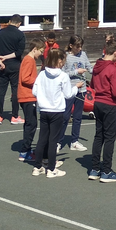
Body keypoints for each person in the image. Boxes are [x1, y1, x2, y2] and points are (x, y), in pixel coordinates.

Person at [31, 48, 82, 178]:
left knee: (42, 139)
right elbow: (68, 94)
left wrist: (44, 97)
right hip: (57, 111)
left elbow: (34, 91)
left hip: (44, 110)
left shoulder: (42, 74)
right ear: (59, 61)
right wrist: (76, 88)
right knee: (53, 141)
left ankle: (37, 167)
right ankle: (51, 169)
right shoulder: (63, 76)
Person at [88, 40, 116, 183]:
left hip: (97, 103)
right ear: (115, 53)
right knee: (109, 138)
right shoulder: (112, 69)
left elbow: (92, 84)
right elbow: (115, 92)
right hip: (109, 104)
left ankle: (95, 168)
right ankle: (106, 171)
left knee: (99, 136)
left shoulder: (97, 66)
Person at [0, 14, 26, 125]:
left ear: (10, 21)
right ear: (19, 23)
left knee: (1, 91)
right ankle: (14, 116)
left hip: (2, 66)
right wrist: (6, 57)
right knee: (15, 91)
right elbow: (19, 52)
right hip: (15, 65)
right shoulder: (20, 34)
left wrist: (0, 61)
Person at [59, 35, 92, 152]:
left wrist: (98, 73)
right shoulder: (66, 57)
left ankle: (74, 141)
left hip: (81, 90)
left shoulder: (83, 54)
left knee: (78, 117)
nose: (80, 49)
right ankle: (58, 141)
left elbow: (89, 67)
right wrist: (76, 71)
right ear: (71, 46)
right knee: (65, 116)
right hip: (69, 90)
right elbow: (62, 73)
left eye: (81, 46)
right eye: (77, 47)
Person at [17, 38, 45, 162]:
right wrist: (38, 81)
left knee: (30, 123)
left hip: (28, 96)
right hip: (27, 96)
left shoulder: (30, 60)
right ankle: (24, 151)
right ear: (34, 49)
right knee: (31, 124)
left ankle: (26, 149)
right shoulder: (29, 60)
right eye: (41, 51)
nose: (41, 54)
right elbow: (25, 78)